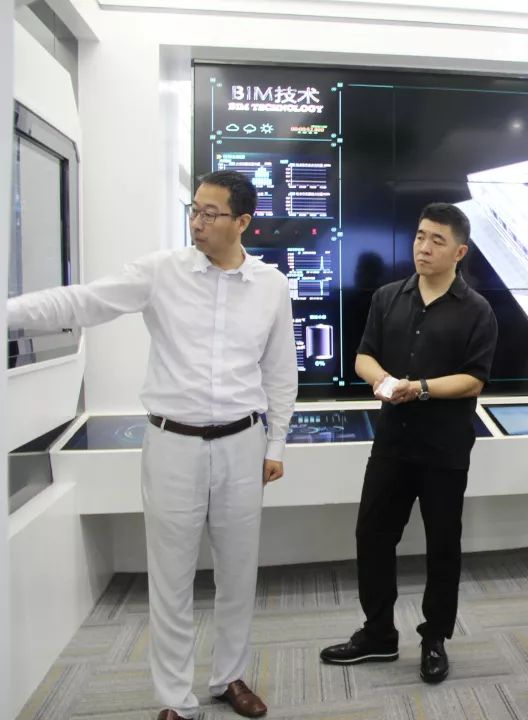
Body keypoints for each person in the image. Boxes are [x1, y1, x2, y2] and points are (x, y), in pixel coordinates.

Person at [7, 170, 298, 720]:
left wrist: (276, 444)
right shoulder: (161, 272)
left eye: (211, 213)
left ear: (242, 222)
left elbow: (281, 372)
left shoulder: (270, 285)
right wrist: (9, 312)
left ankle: (229, 677)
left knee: (238, 571)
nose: (198, 222)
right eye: (194, 209)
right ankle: (174, 700)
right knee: (170, 575)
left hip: (243, 442)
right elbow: (81, 302)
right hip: (172, 443)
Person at [319, 203, 498, 685]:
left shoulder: (477, 310)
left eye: (437, 240)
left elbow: (473, 379)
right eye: (420, 236)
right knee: (372, 535)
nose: (424, 247)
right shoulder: (388, 297)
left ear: (459, 252)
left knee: (443, 545)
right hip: (392, 443)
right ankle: (378, 633)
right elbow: (363, 357)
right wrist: (384, 382)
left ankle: (434, 637)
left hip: (444, 448)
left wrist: (417, 388)